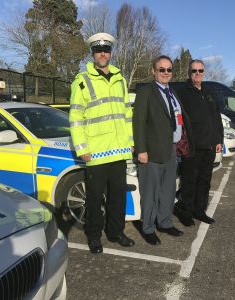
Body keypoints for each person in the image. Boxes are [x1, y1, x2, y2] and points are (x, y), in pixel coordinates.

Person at [69, 32, 135, 254]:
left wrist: (131, 142)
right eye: (98, 51)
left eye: (106, 50)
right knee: (94, 200)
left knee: (118, 198)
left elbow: (127, 114)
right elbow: (76, 117)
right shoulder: (82, 81)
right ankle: (94, 236)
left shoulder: (120, 79)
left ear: (110, 53)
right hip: (95, 153)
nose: (103, 54)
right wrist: (82, 148)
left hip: (119, 151)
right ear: (93, 54)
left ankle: (116, 233)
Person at [133, 55, 192, 245]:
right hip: (151, 152)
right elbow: (138, 122)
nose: (166, 73)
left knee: (167, 191)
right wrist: (141, 150)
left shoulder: (172, 93)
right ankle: (148, 228)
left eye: (169, 70)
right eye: (162, 69)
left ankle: (164, 222)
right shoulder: (146, 92)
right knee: (150, 193)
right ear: (153, 71)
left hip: (170, 151)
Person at [174, 59, 224, 226]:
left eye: (200, 71)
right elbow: (178, 119)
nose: (197, 73)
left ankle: (199, 210)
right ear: (189, 72)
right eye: (194, 71)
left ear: (204, 72)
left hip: (209, 146)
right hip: (192, 146)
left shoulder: (209, 92)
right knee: (189, 181)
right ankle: (185, 211)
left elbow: (216, 118)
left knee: (204, 181)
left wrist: (219, 139)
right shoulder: (183, 92)